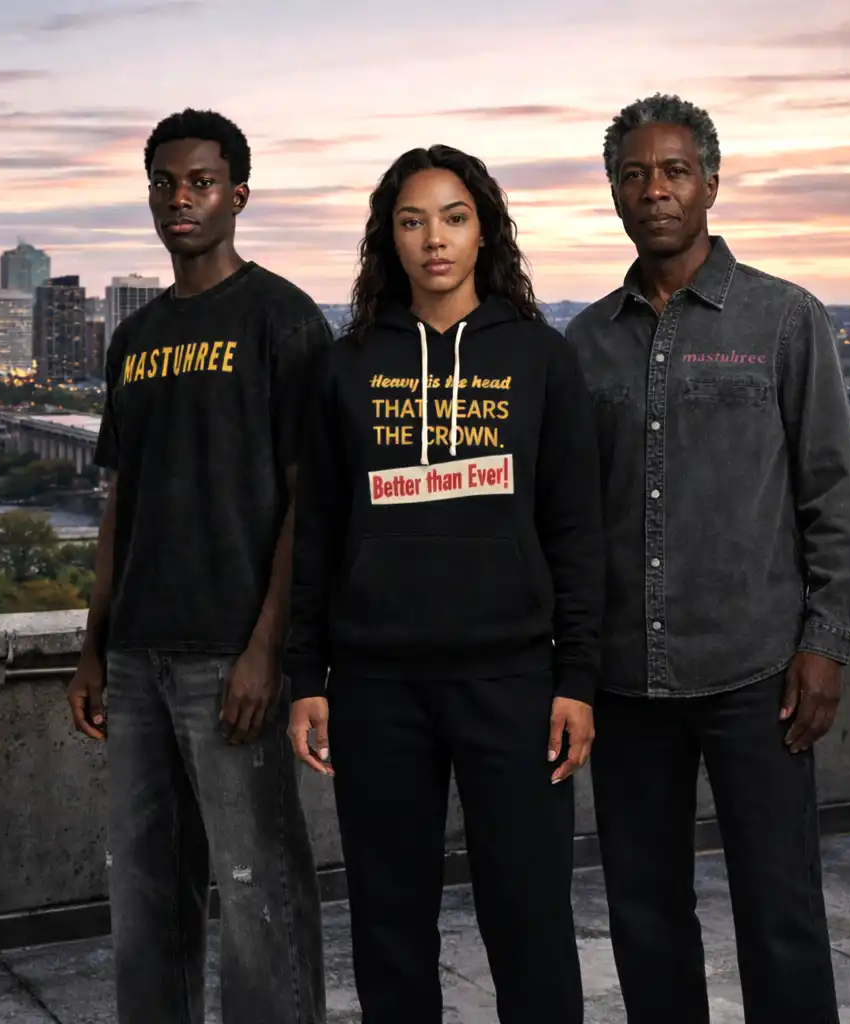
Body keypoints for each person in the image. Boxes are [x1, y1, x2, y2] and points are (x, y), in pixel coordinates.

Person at [566, 93, 850, 1023]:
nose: (654, 190)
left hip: (757, 676)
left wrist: (826, 643)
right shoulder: (583, 343)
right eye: (634, 174)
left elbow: (834, 495)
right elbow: (569, 521)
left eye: (673, 171)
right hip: (626, 685)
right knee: (645, 915)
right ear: (614, 192)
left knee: (779, 911)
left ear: (710, 183)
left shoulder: (783, 320)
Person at [285, 144, 605, 1022]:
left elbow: (576, 530)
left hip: (511, 682)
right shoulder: (348, 365)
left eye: (455, 218)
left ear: (484, 231)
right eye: (413, 220)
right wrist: (306, 678)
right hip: (376, 685)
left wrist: (575, 678)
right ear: (387, 238)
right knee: (390, 926)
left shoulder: (540, 358)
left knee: (531, 918)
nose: (435, 240)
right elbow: (316, 533)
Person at [66, 107, 328, 1024]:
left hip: (230, 655)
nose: (182, 199)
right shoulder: (133, 340)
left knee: (260, 898)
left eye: (201, 182)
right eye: (166, 184)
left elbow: (309, 501)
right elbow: (117, 505)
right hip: (137, 658)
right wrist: (96, 645)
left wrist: (270, 650)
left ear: (238, 196)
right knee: (143, 900)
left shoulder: (283, 320)